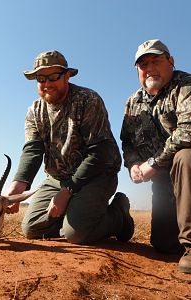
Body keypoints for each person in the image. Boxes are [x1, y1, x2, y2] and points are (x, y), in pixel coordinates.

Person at [7, 50, 134, 245]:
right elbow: (33, 150)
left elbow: (99, 152)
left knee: (76, 234)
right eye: (41, 79)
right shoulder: (34, 111)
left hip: (96, 176)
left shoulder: (87, 99)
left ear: (67, 75)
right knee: (31, 228)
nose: (47, 84)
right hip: (58, 178)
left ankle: (118, 215)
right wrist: (18, 187)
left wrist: (67, 192)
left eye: (53, 77)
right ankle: (77, 215)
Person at [120, 39, 191, 274]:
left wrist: (153, 163)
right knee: (164, 244)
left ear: (171, 62)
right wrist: (132, 164)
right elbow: (128, 141)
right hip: (166, 178)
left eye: (156, 61)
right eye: (143, 65)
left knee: (187, 156)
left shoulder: (188, 85)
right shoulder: (133, 102)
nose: (149, 68)